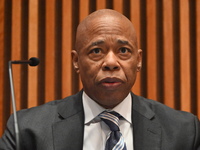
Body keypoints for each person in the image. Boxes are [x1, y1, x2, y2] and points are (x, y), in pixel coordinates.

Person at [0, 9, 200, 150]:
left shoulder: (183, 132)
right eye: (96, 51)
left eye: (123, 51)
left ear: (138, 60)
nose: (111, 62)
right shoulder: (27, 131)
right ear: (76, 61)